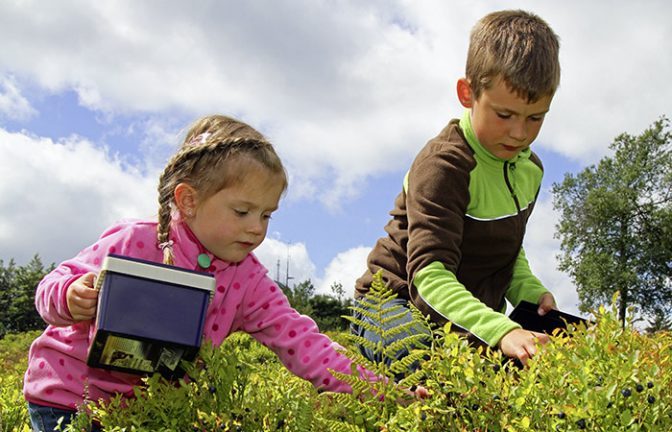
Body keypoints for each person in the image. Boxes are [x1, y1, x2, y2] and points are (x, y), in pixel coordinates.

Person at [24, 115, 387, 431]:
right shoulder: (136, 239)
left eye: (266, 215)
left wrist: (382, 390)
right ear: (188, 201)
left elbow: (303, 342)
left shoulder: (248, 280)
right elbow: (49, 289)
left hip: (156, 411)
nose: (256, 229)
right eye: (242, 211)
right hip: (67, 399)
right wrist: (71, 295)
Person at [352, 10, 560, 370]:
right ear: (468, 93)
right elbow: (428, 276)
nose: (519, 133)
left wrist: (531, 293)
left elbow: (508, 252)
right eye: (504, 115)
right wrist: (500, 331)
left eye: (535, 117)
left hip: (464, 312)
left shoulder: (530, 170)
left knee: (549, 367)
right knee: (434, 368)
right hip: (393, 303)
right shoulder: (443, 166)